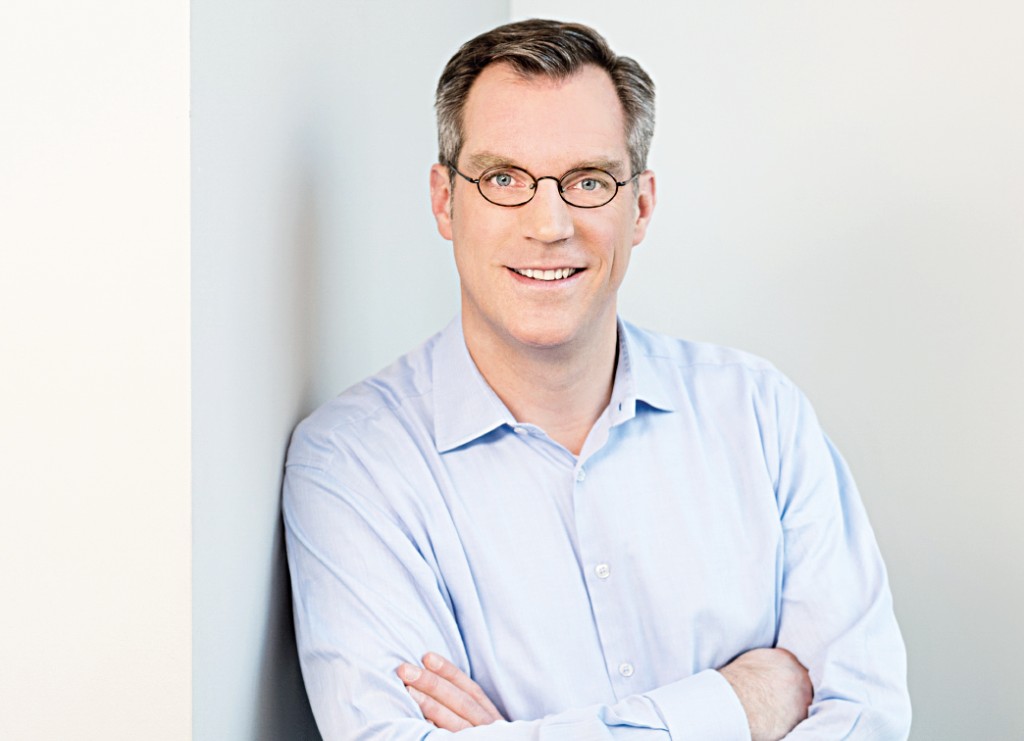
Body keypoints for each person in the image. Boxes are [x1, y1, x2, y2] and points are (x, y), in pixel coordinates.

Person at [283, 18, 911, 740]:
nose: (549, 224)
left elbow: (868, 716)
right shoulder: (352, 464)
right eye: (503, 179)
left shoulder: (761, 416)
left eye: (587, 181)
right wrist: (737, 705)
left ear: (639, 206)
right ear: (444, 200)